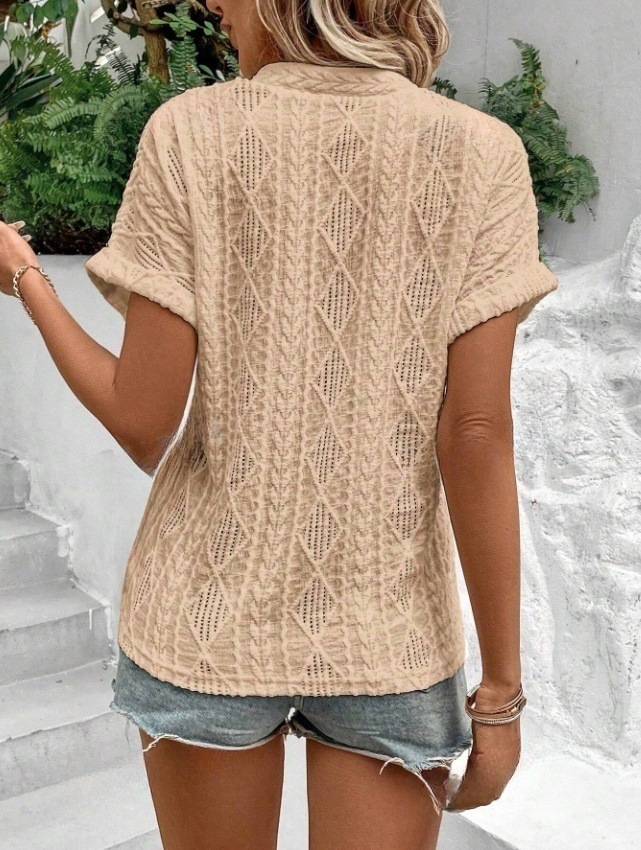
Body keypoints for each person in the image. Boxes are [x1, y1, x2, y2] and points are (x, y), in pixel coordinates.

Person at [0, 0, 558, 847]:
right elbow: (475, 434)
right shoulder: (482, 152)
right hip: (388, 631)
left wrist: (27, 281)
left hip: (203, 618)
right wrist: (500, 697)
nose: (210, 6)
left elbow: (142, 422)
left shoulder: (190, 133)